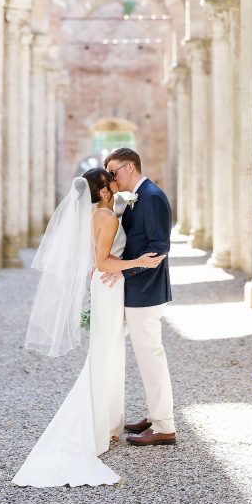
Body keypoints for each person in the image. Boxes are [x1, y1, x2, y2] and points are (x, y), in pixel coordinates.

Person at [11, 168, 164, 488]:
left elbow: (102, 257)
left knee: (109, 353)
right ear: (105, 189)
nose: (115, 179)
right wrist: (141, 263)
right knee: (105, 353)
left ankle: (107, 422)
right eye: (111, 178)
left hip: (109, 286)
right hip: (108, 288)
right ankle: (95, 424)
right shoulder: (105, 218)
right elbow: (104, 262)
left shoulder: (104, 212)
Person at [102, 148, 176, 446]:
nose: (110, 178)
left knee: (151, 357)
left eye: (113, 172)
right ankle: (155, 414)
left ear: (130, 167)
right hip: (137, 289)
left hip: (146, 290)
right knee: (146, 357)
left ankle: (164, 427)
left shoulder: (153, 197)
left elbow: (159, 249)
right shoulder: (135, 198)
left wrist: (124, 273)